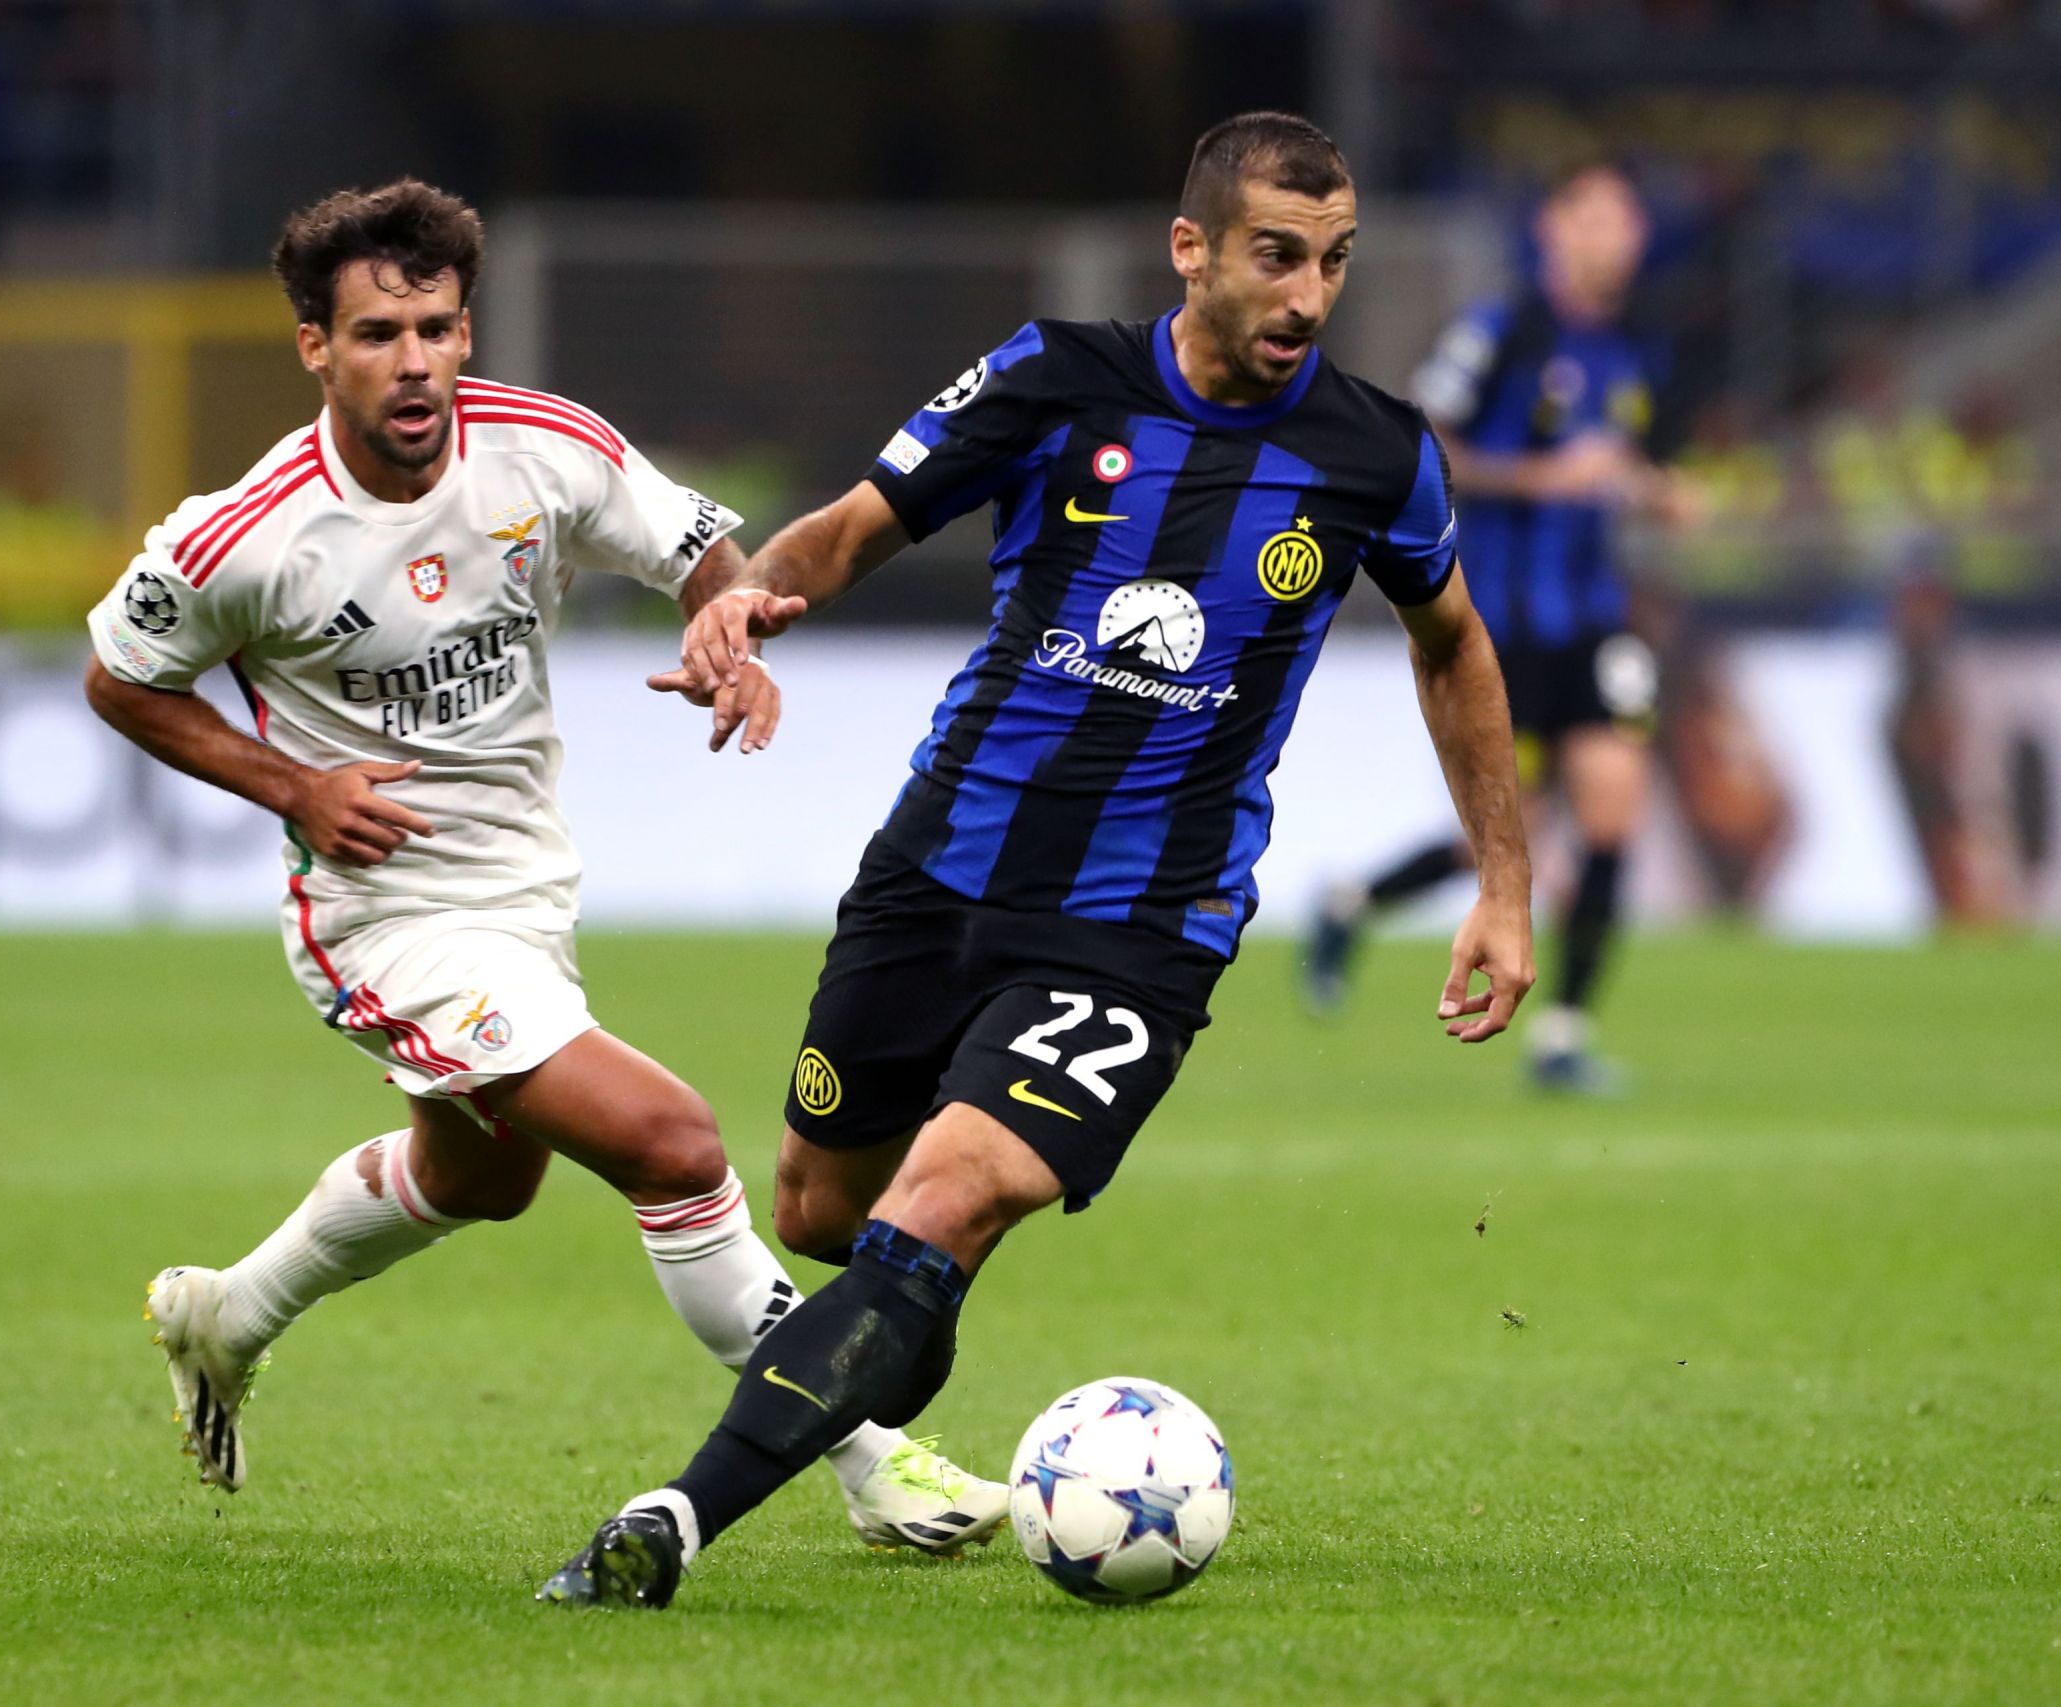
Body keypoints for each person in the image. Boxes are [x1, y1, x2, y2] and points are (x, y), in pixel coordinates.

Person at [539, 112, 1533, 1609]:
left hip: (1141, 925)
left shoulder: (1375, 453)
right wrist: (740, 602)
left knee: (943, 1205)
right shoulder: (1055, 380)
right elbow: (855, 528)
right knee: (821, 1213)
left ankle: (672, 1522)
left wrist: (1505, 882)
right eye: (1277, 257)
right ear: (1191, 248)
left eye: (1333, 264)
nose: (1309, 298)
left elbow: (1453, 640)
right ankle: (883, 1335)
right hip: (938, 869)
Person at [81, 178, 999, 1549]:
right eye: (379, 333)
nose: (415, 362)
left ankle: (228, 1312)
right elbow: (120, 676)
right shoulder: (248, 533)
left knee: (482, 1176)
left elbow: (701, 549)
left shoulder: (543, 450)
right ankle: (869, 1454)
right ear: (315, 349)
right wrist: (296, 786)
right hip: (380, 913)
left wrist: (724, 632)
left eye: (438, 328)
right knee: (673, 1142)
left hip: (523, 890)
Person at [1304, 160, 1696, 1093]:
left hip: (1598, 624)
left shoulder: (1639, 344)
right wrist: (1540, 478)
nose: (1617, 235)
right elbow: (1424, 440)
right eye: (1595, 214)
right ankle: (1353, 902)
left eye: (1628, 217)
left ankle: (1561, 1033)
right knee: (1505, 839)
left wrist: (1654, 488)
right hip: (1507, 628)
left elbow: (1617, 457)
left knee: (1611, 811)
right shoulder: (1503, 330)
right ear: (1553, 227)